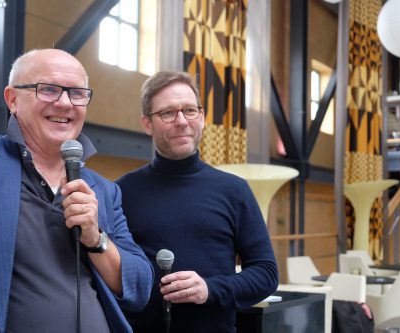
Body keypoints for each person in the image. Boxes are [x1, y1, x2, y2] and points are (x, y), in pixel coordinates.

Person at [0, 48, 153, 333]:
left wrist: (96, 239)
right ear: (13, 99)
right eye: (48, 90)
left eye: (77, 93)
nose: (64, 103)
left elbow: (139, 287)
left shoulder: (103, 191)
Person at [116, 70, 279, 333]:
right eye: (167, 113)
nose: (181, 121)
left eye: (189, 110)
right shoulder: (122, 191)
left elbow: (266, 273)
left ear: (201, 117)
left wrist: (209, 289)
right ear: (147, 124)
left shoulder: (234, 191)